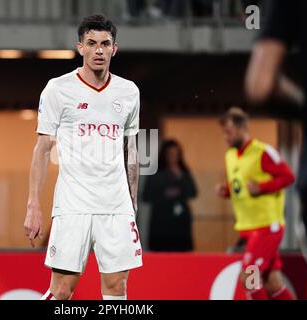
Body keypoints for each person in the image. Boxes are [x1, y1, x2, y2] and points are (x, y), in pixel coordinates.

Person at [23, 14, 142, 300]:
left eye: (105, 43)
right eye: (92, 43)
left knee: (117, 288)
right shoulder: (58, 89)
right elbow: (42, 150)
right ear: (80, 48)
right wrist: (33, 206)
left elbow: (132, 150)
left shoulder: (129, 92)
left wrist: (132, 200)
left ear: (114, 49)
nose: (98, 50)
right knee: (62, 290)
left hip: (116, 206)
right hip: (73, 205)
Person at [245, 0, 307, 297]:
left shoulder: (263, 153)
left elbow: (259, 85)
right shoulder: (234, 156)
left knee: (256, 277)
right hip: (251, 230)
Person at [215, 107, 296, 300]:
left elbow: (288, 177)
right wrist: (226, 190)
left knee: (248, 278)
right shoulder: (230, 155)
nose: (226, 137)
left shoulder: (263, 152)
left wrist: (263, 187)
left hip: (267, 228)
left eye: (229, 131)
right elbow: (240, 187)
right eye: (224, 133)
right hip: (249, 229)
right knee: (273, 284)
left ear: (242, 128)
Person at [142, 139, 198, 251]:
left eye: (176, 154)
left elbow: (193, 192)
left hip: (180, 224)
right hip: (161, 224)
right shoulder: (156, 172)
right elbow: (145, 196)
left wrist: (180, 177)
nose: (173, 157)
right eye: (170, 154)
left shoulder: (183, 171)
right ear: (164, 155)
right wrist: (164, 194)